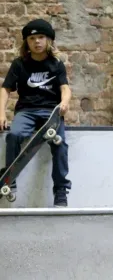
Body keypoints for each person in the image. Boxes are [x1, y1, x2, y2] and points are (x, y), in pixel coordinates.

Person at [0, 19, 72, 207]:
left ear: (48, 40)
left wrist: (64, 103)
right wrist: (1, 114)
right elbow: (5, 89)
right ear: (27, 42)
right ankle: (10, 178)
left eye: (41, 37)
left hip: (51, 113)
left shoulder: (56, 64)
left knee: (61, 144)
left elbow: (65, 88)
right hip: (27, 111)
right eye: (32, 38)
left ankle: (61, 191)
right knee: (14, 135)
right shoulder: (19, 64)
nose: (37, 41)